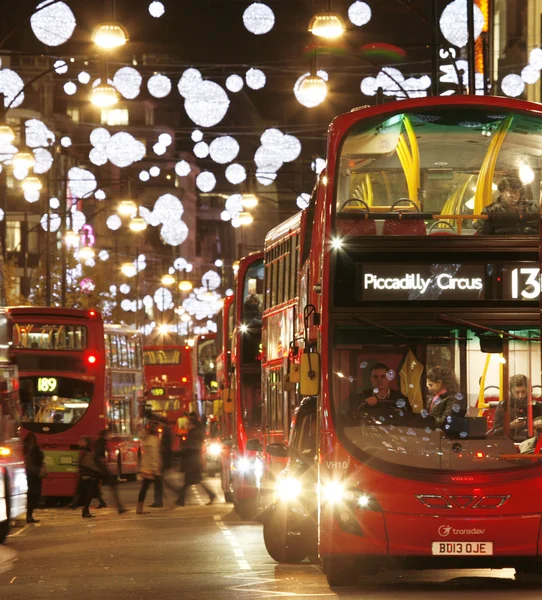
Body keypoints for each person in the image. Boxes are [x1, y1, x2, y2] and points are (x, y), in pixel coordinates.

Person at [474, 177, 539, 235]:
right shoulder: (490, 210)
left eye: (516, 192)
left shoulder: (532, 208)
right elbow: (483, 236)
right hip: (500, 246)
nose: (513, 196)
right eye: (510, 192)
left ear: (520, 193)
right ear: (501, 193)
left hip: (530, 245)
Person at [176, 415, 216, 506]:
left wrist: (178, 453)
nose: (187, 425)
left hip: (192, 463)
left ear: (193, 425)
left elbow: (190, 448)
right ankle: (181, 500)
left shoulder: (194, 434)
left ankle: (181, 500)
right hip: (193, 462)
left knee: (188, 483)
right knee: (194, 482)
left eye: (189, 424)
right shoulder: (194, 433)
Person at [95, 429, 127, 514]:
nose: (110, 436)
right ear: (105, 435)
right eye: (108, 434)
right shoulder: (101, 442)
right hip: (101, 469)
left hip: (100, 469)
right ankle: (119, 507)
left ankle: (117, 506)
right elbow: (98, 456)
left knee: (94, 487)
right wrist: (104, 462)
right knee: (113, 486)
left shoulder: (101, 442)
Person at [137, 421, 162, 514]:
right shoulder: (155, 440)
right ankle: (160, 501)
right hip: (152, 469)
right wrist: (156, 468)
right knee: (157, 485)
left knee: (144, 488)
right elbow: (154, 455)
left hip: (145, 467)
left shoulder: (146, 439)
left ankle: (139, 508)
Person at [23, 432, 45, 524]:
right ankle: (29, 516)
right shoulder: (35, 449)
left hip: (28, 473)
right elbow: (39, 460)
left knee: (31, 495)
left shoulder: (24, 449)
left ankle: (29, 515)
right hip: (35, 473)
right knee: (34, 494)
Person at [78, 437, 101, 519]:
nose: (80, 442)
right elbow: (87, 463)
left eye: (83, 441)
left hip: (90, 474)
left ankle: (85, 510)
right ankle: (85, 510)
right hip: (90, 474)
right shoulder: (87, 452)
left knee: (89, 493)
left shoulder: (87, 451)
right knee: (89, 493)